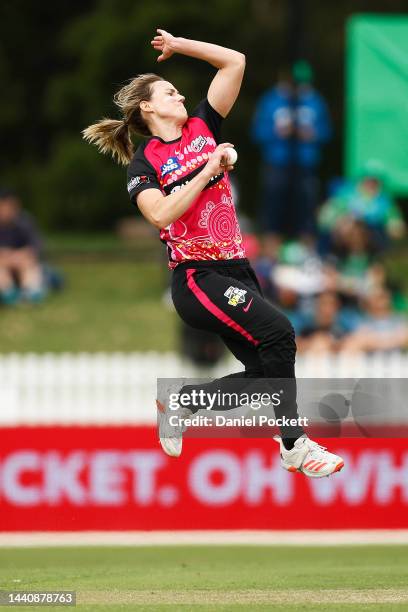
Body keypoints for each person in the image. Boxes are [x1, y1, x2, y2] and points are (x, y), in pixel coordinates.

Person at [83, 29, 344, 479]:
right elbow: (162, 215)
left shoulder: (204, 125)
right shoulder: (146, 162)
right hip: (197, 279)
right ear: (147, 107)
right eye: (168, 91)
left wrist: (180, 46)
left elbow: (235, 61)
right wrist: (208, 167)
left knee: (267, 372)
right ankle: (294, 445)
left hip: (237, 270)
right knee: (280, 330)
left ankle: (184, 404)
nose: (179, 93)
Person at [252, 61, 331, 246]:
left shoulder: (315, 100)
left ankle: (306, 248)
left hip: (305, 163)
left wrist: (312, 134)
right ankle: (272, 250)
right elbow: (257, 131)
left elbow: (326, 132)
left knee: (306, 206)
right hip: (277, 162)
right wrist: (277, 132)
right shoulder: (271, 100)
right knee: (273, 206)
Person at [0, 189, 45, 304]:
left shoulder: (25, 221)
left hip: (23, 262)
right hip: (4, 265)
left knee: (31, 266)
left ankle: (31, 293)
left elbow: (36, 246)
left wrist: (19, 256)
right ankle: (9, 294)